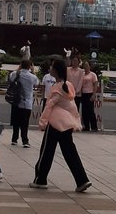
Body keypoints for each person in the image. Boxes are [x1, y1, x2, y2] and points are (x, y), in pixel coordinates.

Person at [30, 58, 91, 192]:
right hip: (67, 124)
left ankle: (40, 179)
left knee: (46, 151)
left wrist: (43, 122)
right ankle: (82, 180)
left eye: (52, 67)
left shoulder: (56, 88)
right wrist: (76, 122)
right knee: (70, 152)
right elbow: (72, 106)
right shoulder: (68, 86)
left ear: (56, 71)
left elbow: (49, 106)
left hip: (54, 124)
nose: (50, 68)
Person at [8, 59, 39, 147]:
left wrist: (19, 68)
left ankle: (14, 139)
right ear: (29, 66)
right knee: (25, 123)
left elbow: (11, 78)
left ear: (21, 65)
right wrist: (33, 71)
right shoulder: (32, 77)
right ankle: (25, 140)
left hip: (16, 101)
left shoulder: (16, 74)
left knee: (16, 122)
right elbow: (37, 83)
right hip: (27, 103)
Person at [79, 61, 100, 132]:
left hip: (90, 93)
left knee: (90, 111)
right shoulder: (82, 74)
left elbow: (95, 84)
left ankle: (94, 127)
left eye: (87, 65)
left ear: (89, 66)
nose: (86, 67)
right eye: (84, 66)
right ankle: (86, 126)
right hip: (83, 93)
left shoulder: (93, 75)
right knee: (84, 111)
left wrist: (94, 94)